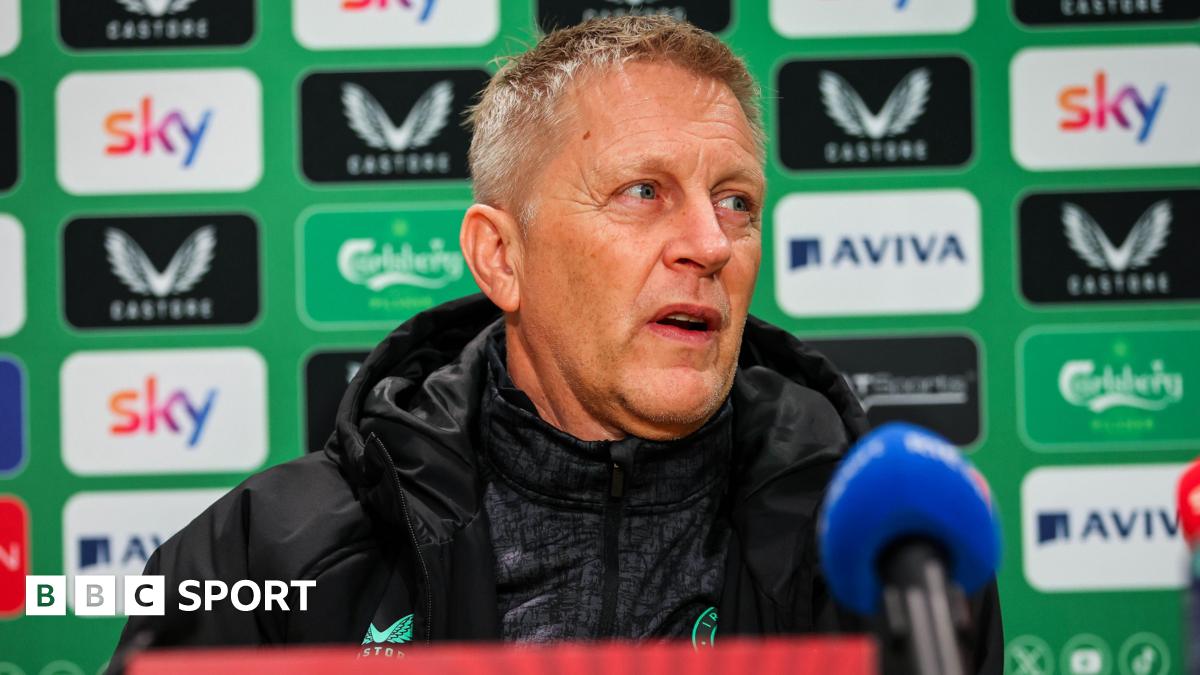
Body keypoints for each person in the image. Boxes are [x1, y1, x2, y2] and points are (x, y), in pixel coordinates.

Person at [108, 15, 1002, 672]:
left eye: (735, 200)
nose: (712, 243)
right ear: (502, 256)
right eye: (643, 191)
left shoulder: (888, 554)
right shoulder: (267, 556)